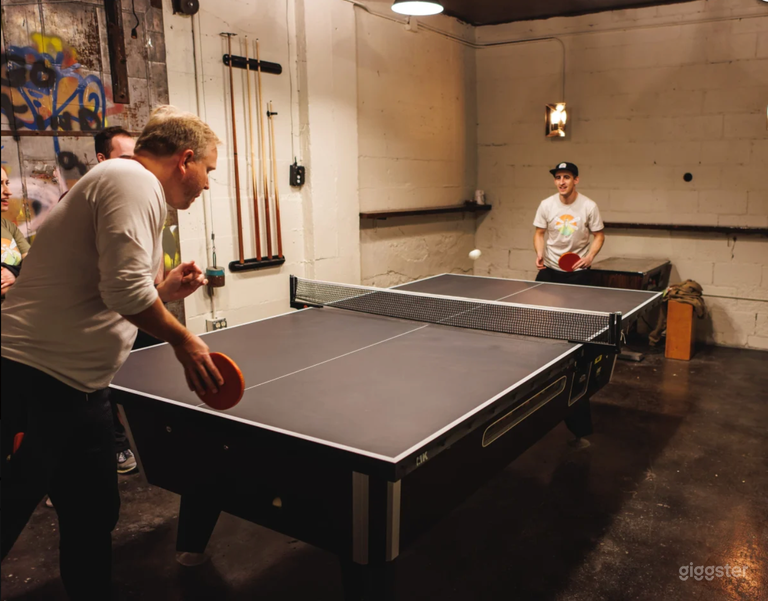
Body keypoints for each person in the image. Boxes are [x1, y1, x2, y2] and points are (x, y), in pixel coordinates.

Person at [1, 105, 224, 600]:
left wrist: (161, 293)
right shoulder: (130, 179)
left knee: (93, 514)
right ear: (185, 160)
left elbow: (109, 292)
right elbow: (124, 293)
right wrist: (184, 340)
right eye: (208, 170)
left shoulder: (129, 186)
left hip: (82, 390)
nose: (208, 184)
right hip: (30, 379)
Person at [94, 126, 142, 474]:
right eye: (126, 159)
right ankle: (116, 449)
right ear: (101, 160)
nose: (135, 167)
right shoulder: (92, 199)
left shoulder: (130, 197)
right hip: (88, 330)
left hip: (120, 317)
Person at [533, 162, 605, 285]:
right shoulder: (546, 205)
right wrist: (540, 253)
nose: (561, 182)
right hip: (550, 268)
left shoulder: (589, 206)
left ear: (576, 180)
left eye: (566, 177)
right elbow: (539, 233)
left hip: (578, 269)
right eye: (558, 178)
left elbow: (599, 236)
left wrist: (589, 257)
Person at [1, 166, 30, 299]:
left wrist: (14, 272)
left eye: (7, 183)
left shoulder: (8, 226)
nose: (8, 192)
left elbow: (34, 263)